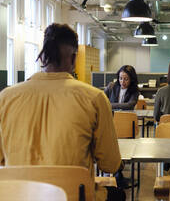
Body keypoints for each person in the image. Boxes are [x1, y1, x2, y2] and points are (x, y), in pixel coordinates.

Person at [0, 23, 125, 201]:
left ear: (43, 56)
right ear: (74, 58)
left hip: (18, 195)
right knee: (117, 194)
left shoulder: (6, 97)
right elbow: (110, 164)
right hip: (73, 196)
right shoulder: (94, 98)